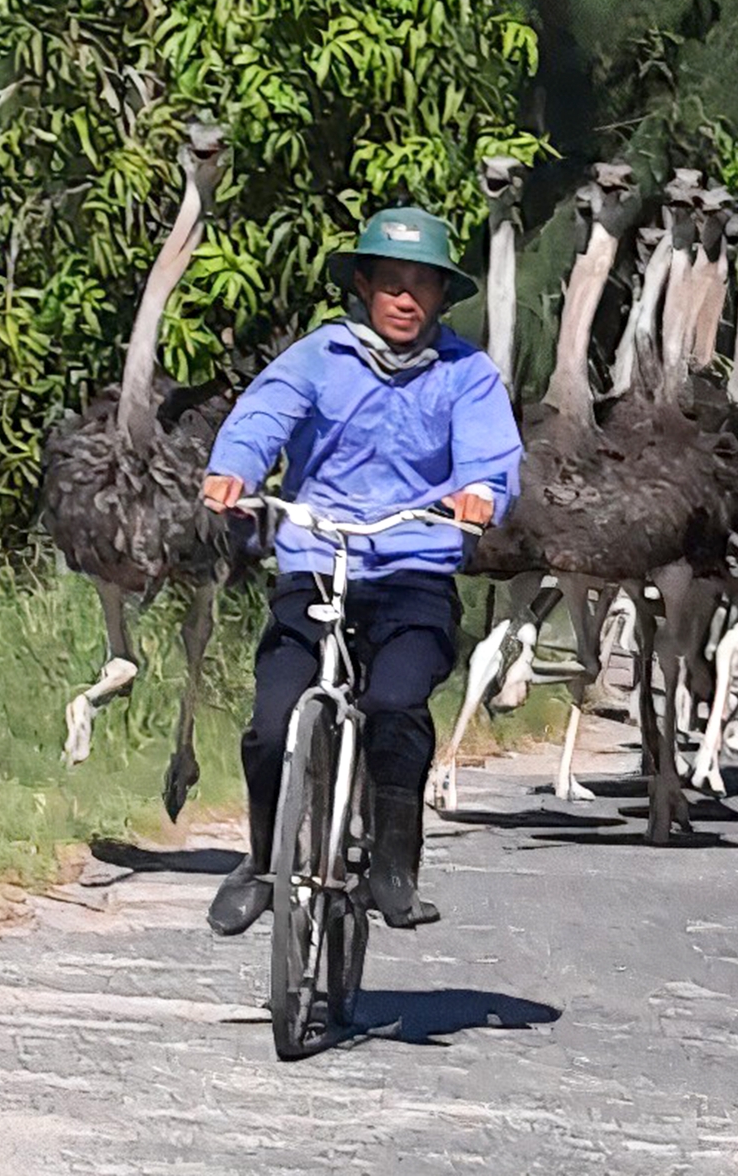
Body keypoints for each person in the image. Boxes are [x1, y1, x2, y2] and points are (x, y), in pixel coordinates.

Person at [199, 206, 523, 936]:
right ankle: (260, 861)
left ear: (442, 297)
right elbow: (263, 417)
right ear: (364, 287)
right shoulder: (319, 357)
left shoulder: (466, 375)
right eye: (392, 284)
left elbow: (491, 457)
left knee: (396, 704)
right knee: (273, 720)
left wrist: (481, 494)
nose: (407, 300)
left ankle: (393, 866)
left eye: (424, 286)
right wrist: (233, 470)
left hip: (415, 569)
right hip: (318, 561)